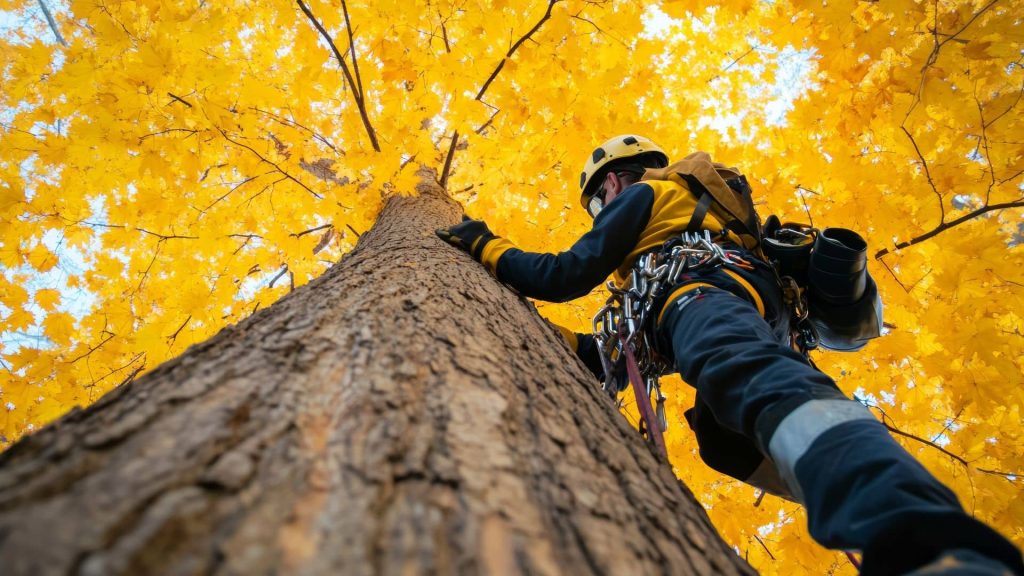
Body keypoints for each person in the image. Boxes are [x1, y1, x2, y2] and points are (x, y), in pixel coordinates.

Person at [436, 135, 1024, 575]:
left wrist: (486, 244)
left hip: (701, 296)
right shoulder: (708, 225)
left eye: (597, 203)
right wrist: (543, 338)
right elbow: (604, 362)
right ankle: (877, 510)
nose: (601, 213)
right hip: (724, 307)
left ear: (613, 181)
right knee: (726, 434)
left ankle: (925, 541)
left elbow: (564, 274)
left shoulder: (648, 193)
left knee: (754, 379)